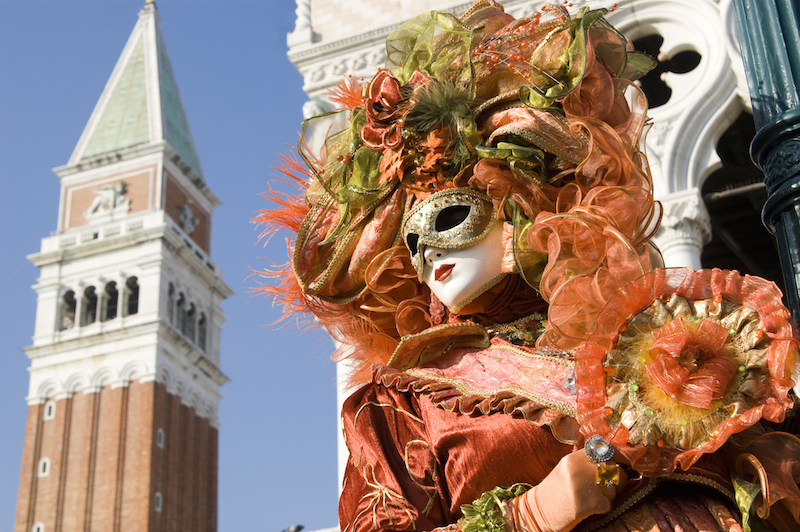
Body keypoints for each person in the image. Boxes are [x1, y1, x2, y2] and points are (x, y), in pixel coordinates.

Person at [257, 2, 800, 531]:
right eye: (410, 241)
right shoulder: (404, 405)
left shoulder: (637, 332)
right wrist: (528, 516)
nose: (429, 251)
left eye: (450, 216)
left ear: (513, 208)